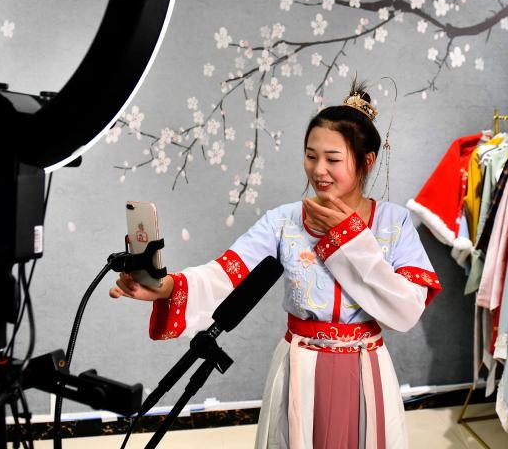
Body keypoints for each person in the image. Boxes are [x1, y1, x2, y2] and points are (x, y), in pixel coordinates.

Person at [110, 81, 441, 449]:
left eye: (333, 159)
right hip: (300, 369)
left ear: (367, 161)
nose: (319, 170)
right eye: (310, 156)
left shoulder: (394, 224)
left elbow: (407, 309)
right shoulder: (284, 221)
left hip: (367, 369)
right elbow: (227, 272)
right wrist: (167, 286)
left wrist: (349, 237)